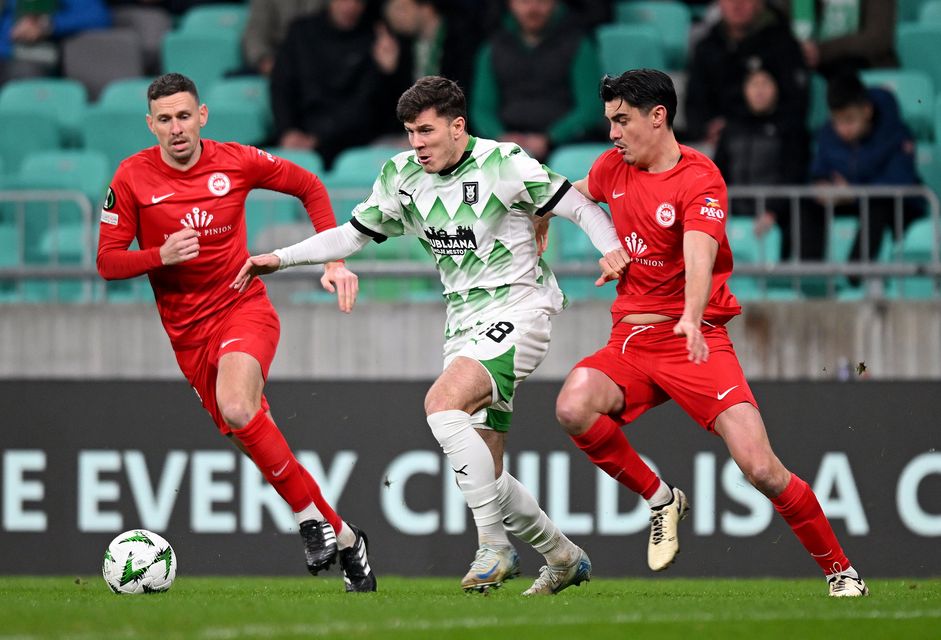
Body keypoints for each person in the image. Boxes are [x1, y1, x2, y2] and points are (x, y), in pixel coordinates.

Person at [233, 75, 629, 595]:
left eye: (426, 131)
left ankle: (493, 547)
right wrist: (279, 259)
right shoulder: (402, 176)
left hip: (521, 309)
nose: (416, 144)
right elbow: (351, 235)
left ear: (458, 126)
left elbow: (577, 205)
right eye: (409, 133)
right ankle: (562, 555)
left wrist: (611, 248)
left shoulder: (503, 163)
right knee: (487, 468)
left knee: (442, 404)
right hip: (461, 322)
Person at [553, 68, 868, 597]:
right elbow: (575, 195)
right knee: (572, 406)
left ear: (658, 117)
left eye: (622, 120)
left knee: (760, 467)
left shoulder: (700, 178)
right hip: (632, 343)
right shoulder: (613, 167)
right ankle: (660, 499)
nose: (612, 134)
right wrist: (544, 217)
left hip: (694, 341)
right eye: (610, 121)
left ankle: (841, 571)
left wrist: (692, 316)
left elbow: (699, 252)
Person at [95, 72, 376, 593]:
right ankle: (344, 536)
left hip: (243, 308)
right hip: (187, 335)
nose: (176, 128)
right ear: (150, 125)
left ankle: (307, 520)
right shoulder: (131, 177)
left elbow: (309, 185)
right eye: (165, 120)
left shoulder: (236, 161)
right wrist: (160, 255)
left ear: (202, 116)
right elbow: (107, 262)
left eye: (184, 116)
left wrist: (333, 259)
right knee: (253, 437)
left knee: (240, 407)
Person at [269, 0, 410, 167]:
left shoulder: (378, 37)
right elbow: (281, 87)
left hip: (354, 140)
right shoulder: (301, 32)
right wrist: (288, 131)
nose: (349, 6)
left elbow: (371, 105)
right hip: (300, 133)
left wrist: (389, 72)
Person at [807, 71, 922, 270]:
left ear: (867, 110)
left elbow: (900, 180)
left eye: (849, 120)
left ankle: (856, 274)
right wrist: (822, 185)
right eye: (837, 121)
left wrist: (853, 192)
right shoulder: (828, 133)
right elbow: (819, 168)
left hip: (897, 207)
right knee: (807, 203)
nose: (842, 128)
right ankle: (810, 274)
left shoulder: (895, 133)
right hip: (848, 198)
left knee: (877, 204)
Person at [470, 0, 601, 162]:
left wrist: (551, 138)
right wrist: (500, 136)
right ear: (510, 4)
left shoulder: (579, 44)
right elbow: (481, 109)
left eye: (542, 1)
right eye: (525, 2)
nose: (533, 8)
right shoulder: (491, 49)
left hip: (565, 146)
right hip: (504, 144)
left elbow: (591, 107)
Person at [684, 0, 808, 148]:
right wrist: (706, 128)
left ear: (760, 3)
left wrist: (747, 128)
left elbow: (795, 105)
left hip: (772, 143)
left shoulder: (783, 43)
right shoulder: (707, 47)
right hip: (718, 144)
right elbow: (695, 102)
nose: (737, 4)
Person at [712, 66, 810, 246]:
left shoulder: (790, 127)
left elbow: (793, 173)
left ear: (777, 87)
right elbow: (717, 173)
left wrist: (773, 211)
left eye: (765, 83)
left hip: (777, 220)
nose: (759, 90)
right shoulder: (732, 128)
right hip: (732, 216)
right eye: (753, 84)